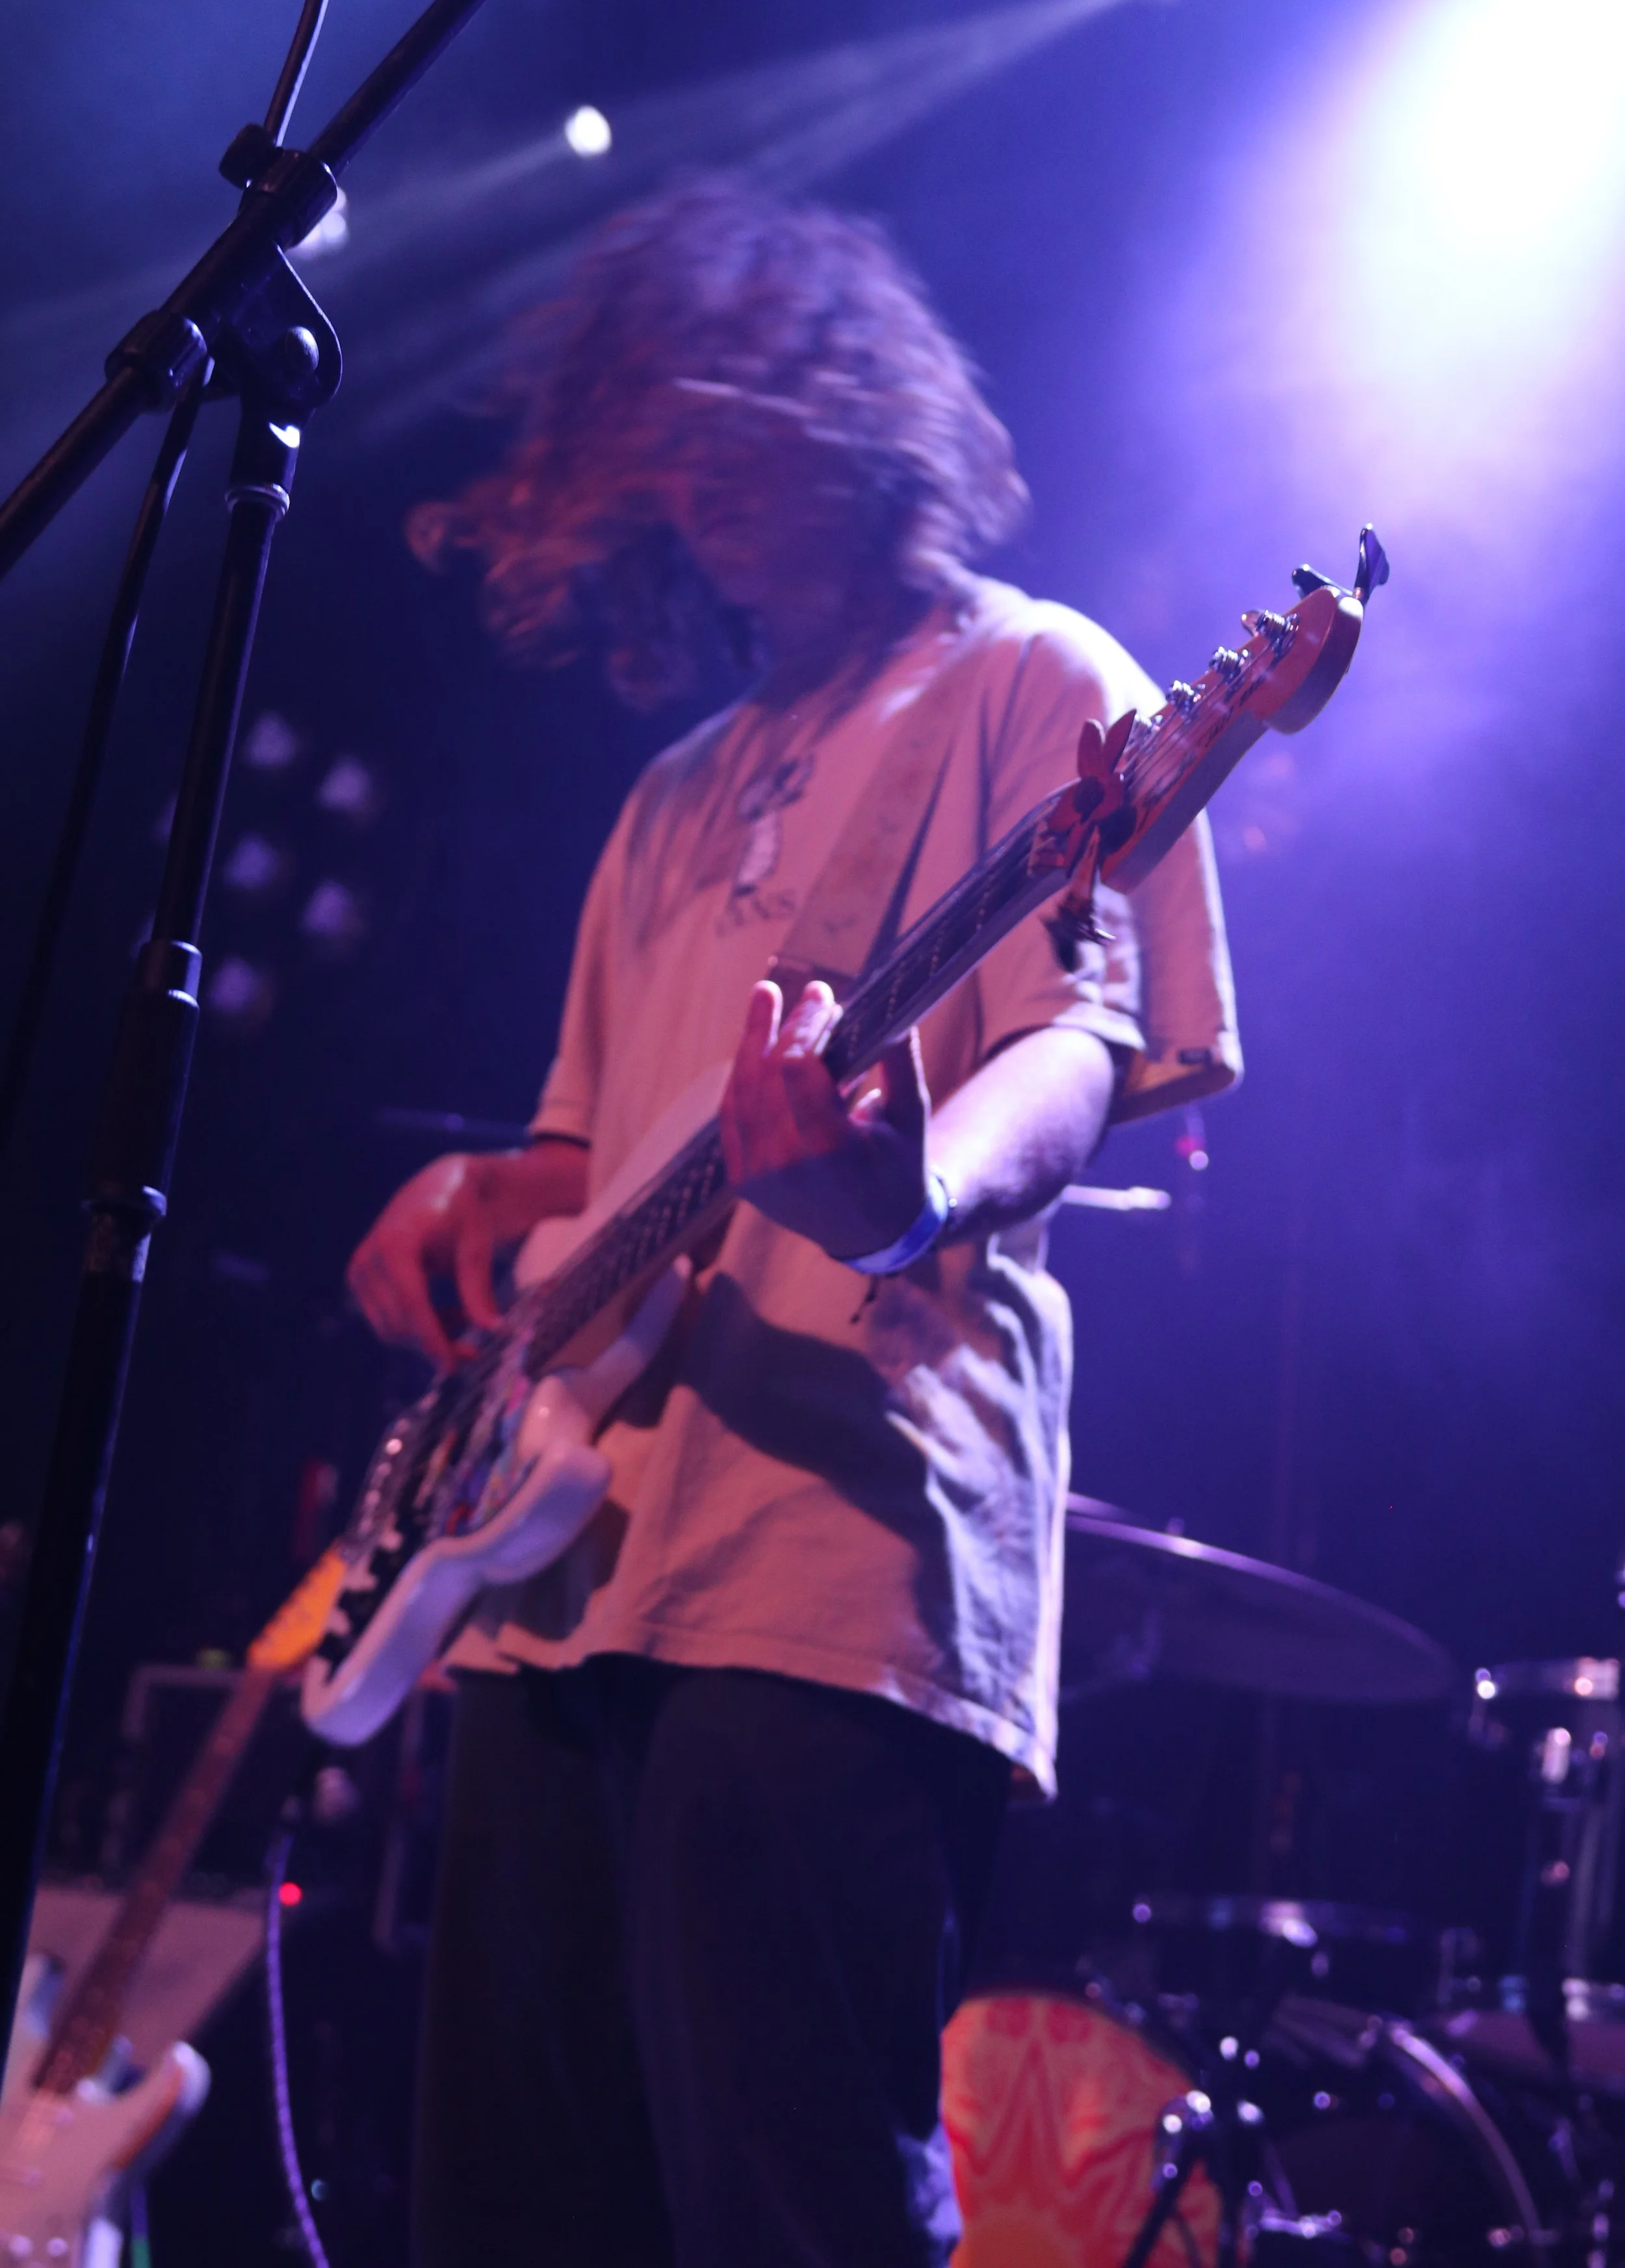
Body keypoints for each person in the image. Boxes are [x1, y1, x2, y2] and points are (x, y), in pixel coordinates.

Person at [346, 181, 1239, 2268]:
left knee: (790, 2204)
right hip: (560, 1566)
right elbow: (631, 1154)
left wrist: (906, 1183)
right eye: (661, 445)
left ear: (854, 407)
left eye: (731, 422)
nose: (700, 482)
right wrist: (493, 1185)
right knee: (509, 2206)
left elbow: (1078, 1047)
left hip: (827, 1561)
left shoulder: (1038, 688)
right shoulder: (668, 794)